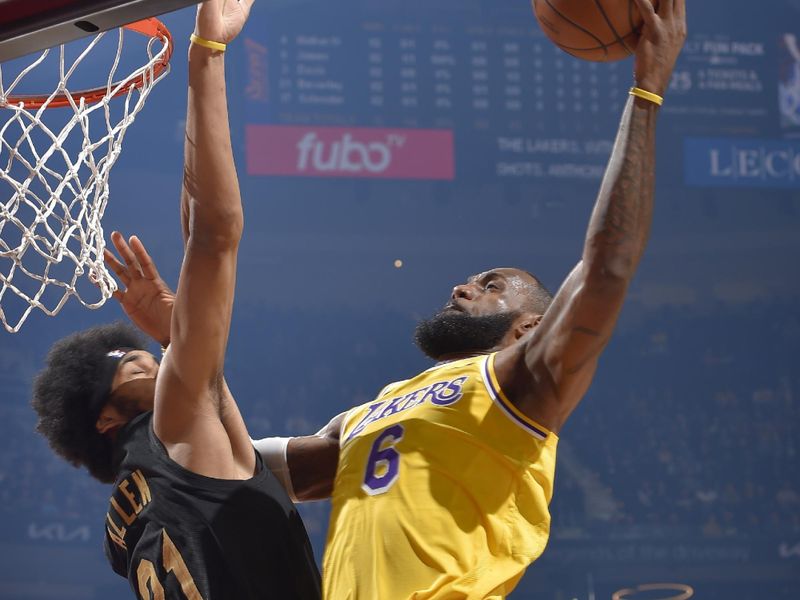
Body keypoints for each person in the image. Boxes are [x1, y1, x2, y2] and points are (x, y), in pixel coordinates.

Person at [104, 0, 688, 597]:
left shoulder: (524, 384)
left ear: (529, 327)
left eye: (491, 286)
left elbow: (608, 266)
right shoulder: (366, 418)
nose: (462, 287)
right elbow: (226, 455)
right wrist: (179, 347)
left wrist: (647, 93)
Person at [30, 2, 321, 598]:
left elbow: (213, 400)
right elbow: (214, 237)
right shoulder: (175, 429)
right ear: (107, 418)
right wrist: (205, 55)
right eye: (130, 362)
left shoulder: (129, 518)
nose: (152, 360)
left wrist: (173, 335)